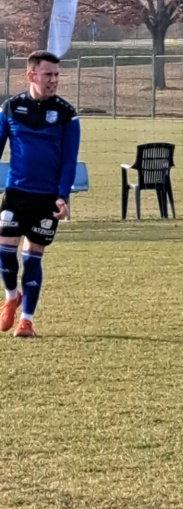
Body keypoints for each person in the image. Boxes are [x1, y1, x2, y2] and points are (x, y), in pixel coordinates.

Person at [0, 50, 81, 338]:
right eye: (48, 74)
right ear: (31, 75)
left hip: (47, 198)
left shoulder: (67, 114)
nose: (54, 80)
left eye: (57, 75)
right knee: (4, 253)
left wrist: (62, 197)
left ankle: (26, 321)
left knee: (32, 258)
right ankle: (12, 296)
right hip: (16, 193)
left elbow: (69, 160)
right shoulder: (11, 108)